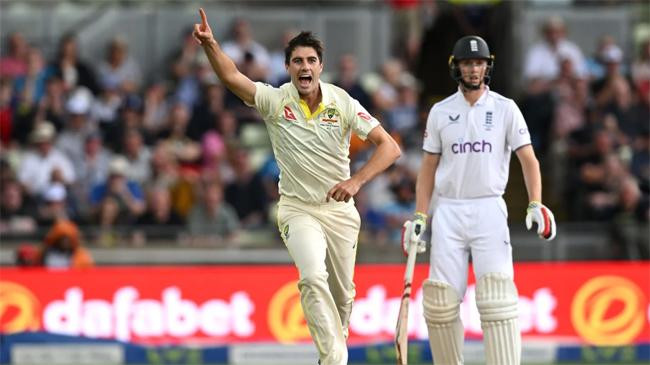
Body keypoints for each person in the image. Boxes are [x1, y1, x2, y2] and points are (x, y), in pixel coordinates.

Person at [192, 9, 401, 365]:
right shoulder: (276, 101)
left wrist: (356, 181)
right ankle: (334, 359)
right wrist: (211, 45)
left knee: (343, 299)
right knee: (312, 277)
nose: (305, 67)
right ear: (288, 67)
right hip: (297, 208)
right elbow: (231, 77)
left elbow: (390, 147)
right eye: (297, 61)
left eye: (311, 61)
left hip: (339, 212)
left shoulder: (343, 102)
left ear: (321, 66)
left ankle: (331, 355)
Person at [403, 36, 556, 365]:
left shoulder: (505, 108)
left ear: (488, 66)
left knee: (497, 297)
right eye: (467, 63)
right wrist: (420, 216)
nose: (473, 69)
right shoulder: (441, 111)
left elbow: (529, 160)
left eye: (479, 63)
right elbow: (428, 167)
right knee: (441, 300)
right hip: (449, 209)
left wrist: (535, 203)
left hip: (488, 207)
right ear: (456, 67)